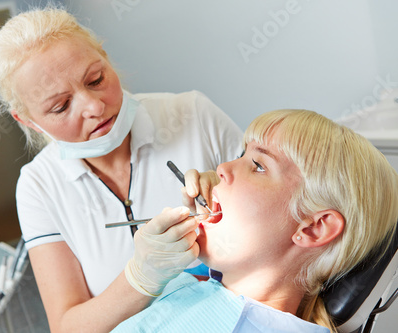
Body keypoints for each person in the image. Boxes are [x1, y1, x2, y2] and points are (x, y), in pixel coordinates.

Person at [0, 6, 243, 332]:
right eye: (60, 106)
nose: (94, 106)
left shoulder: (193, 115)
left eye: (96, 79)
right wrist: (141, 277)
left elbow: (288, 212)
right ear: (28, 120)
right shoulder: (39, 186)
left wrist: (234, 192)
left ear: (105, 57)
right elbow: (67, 326)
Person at [111, 109, 398, 332]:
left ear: (313, 227)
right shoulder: (203, 282)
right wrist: (143, 274)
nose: (221, 168)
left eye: (258, 165)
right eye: (242, 154)